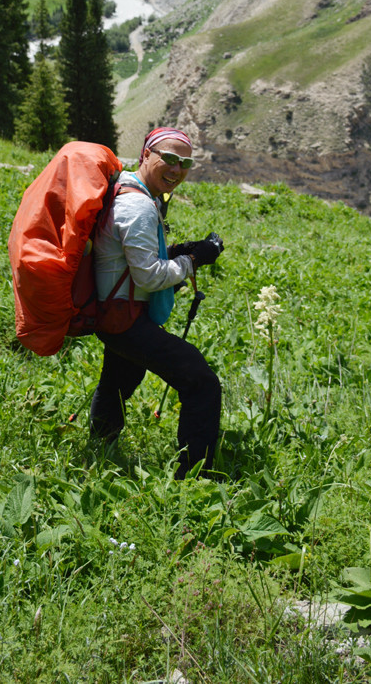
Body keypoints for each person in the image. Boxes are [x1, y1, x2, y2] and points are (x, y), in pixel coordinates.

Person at [90, 127, 224, 478]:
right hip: (126, 319)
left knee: (119, 379)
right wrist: (194, 261)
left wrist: (178, 252)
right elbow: (148, 276)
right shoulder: (138, 206)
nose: (177, 169)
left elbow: (133, 257)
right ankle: (196, 477)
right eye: (169, 158)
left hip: (113, 313)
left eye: (185, 163)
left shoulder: (132, 191)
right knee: (200, 381)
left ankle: (100, 448)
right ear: (146, 154)